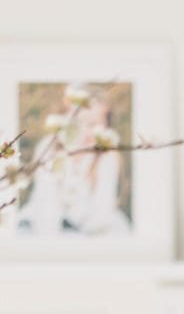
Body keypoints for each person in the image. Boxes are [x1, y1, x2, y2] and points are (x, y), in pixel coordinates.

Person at [18, 88, 131, 236]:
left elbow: (103, 205)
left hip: (93, 225)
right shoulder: (49, 148)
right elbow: (45, 199)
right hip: (44, 220)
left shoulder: (106, 154)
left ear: (106, 126)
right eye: (76, 122)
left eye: (93, 124)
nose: (83, 131)